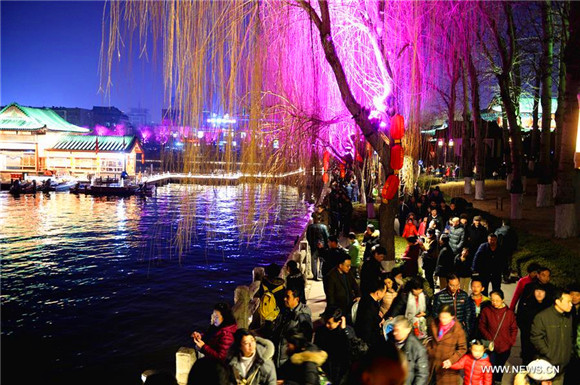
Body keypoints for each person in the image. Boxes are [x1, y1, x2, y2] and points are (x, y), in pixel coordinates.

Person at [530, 289, 573, 385]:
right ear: (558, 302)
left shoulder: (568, 317)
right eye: (568, 302)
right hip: (546, 367)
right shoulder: (542, 317)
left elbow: (569, 337)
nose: (571, 304)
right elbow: (536, 338)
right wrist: (549, 353)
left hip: (562, 368)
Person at [478, 290, 518, 384]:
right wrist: (489, 338)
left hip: (505, 347)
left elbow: (514, 329)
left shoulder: (509, 313)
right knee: (491, 368)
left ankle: (498, 381)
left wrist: (510, 342)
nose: (494, 303)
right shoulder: (486, 311)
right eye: (492, 300)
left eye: (497, 300)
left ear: (503, 300)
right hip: (492, 346)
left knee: (500, 367)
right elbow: (481, 326)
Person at [426, 304, 468, 385]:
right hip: (432, 363)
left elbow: (462, 348)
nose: (443, 320)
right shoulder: (434, 324)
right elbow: (430, 339)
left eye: (446, 317)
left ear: (452, 317)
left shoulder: (457, 330)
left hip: (447, 367)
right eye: (441, 317)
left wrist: (451, 360)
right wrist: (429, 350)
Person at [314, 307, 357, 384]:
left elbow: (350, 351)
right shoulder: (321, 332)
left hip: (340, 372)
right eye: (326, 322)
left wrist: (343, 331)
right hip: (325, 369)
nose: (327, 325)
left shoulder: (348, 332)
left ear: (339, 322)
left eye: (330, 323)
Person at [273, 288, 313, 368]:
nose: (284, 299)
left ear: (296, 299)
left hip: (289, 363)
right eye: (285, 296)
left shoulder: (302, 316)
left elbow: (307, 340)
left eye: (288, 297)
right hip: (279, 359)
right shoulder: (285, 311)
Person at [517, 283, 550, 365]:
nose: (539, 294)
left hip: (542, 338)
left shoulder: (549, 306)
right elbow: (520, 317)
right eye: (537, 291)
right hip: (527, 335)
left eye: (542, 291)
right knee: (526, 357)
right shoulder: (527, 303)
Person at [389, 316, 429, 385]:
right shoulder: (389, 342)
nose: (394, 333)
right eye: (394, 330)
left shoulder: (417, 348)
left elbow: (422, 374)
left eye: (397, 330)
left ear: (407, 330)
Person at [355, 277, 387, 348]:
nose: (385, 294)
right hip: (368, 338)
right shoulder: (370, 306)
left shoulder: (366, 298)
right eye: (384, 292)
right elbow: (369, 324)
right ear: (378, 293)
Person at [494, 218, 518, 282]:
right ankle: (506, 276)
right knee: (507, 263)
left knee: (499, 262)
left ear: (503, 223)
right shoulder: (512, 231)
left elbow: (494, 239)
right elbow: (515, 240)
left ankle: (499, 276)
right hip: (509, 250)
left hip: (499, 249)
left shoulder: (498, 230)